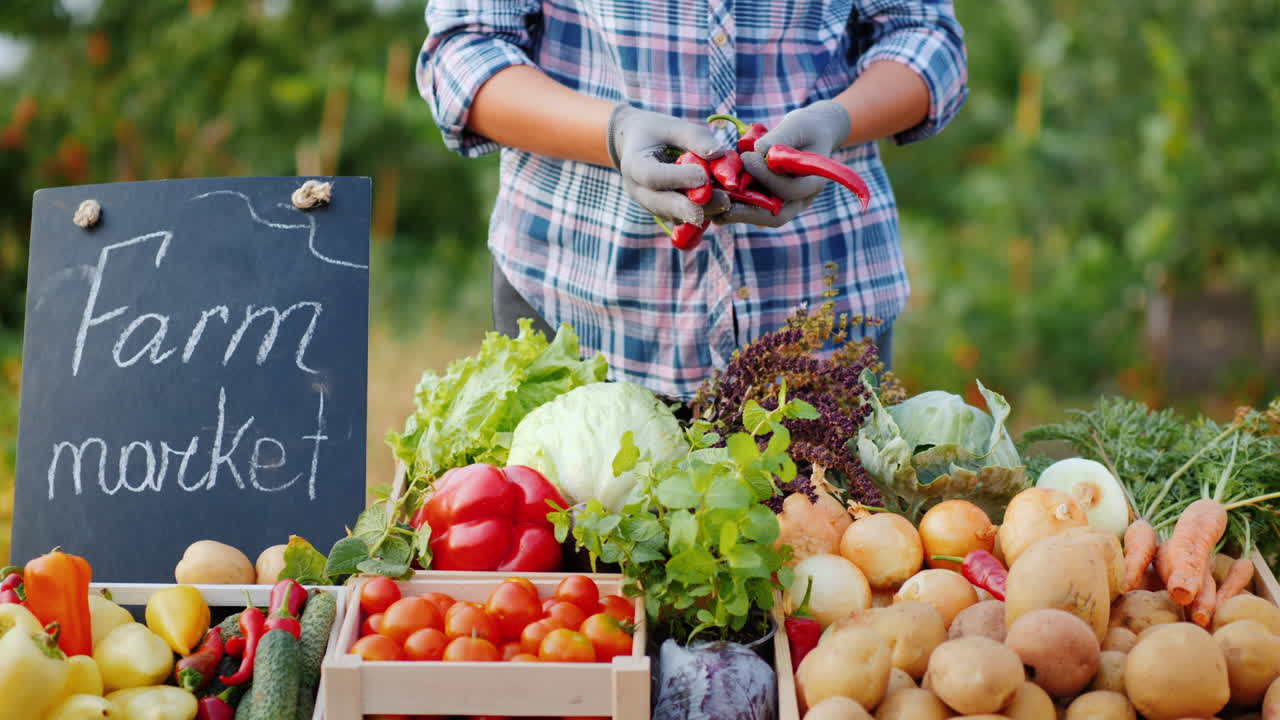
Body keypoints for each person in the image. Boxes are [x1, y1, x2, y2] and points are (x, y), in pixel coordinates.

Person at [416, 1, 968, 403]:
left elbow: (925, 35)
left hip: (823, 322)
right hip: (575, 304)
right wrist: (615, 133)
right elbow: (464, 50)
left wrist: (838, 120)